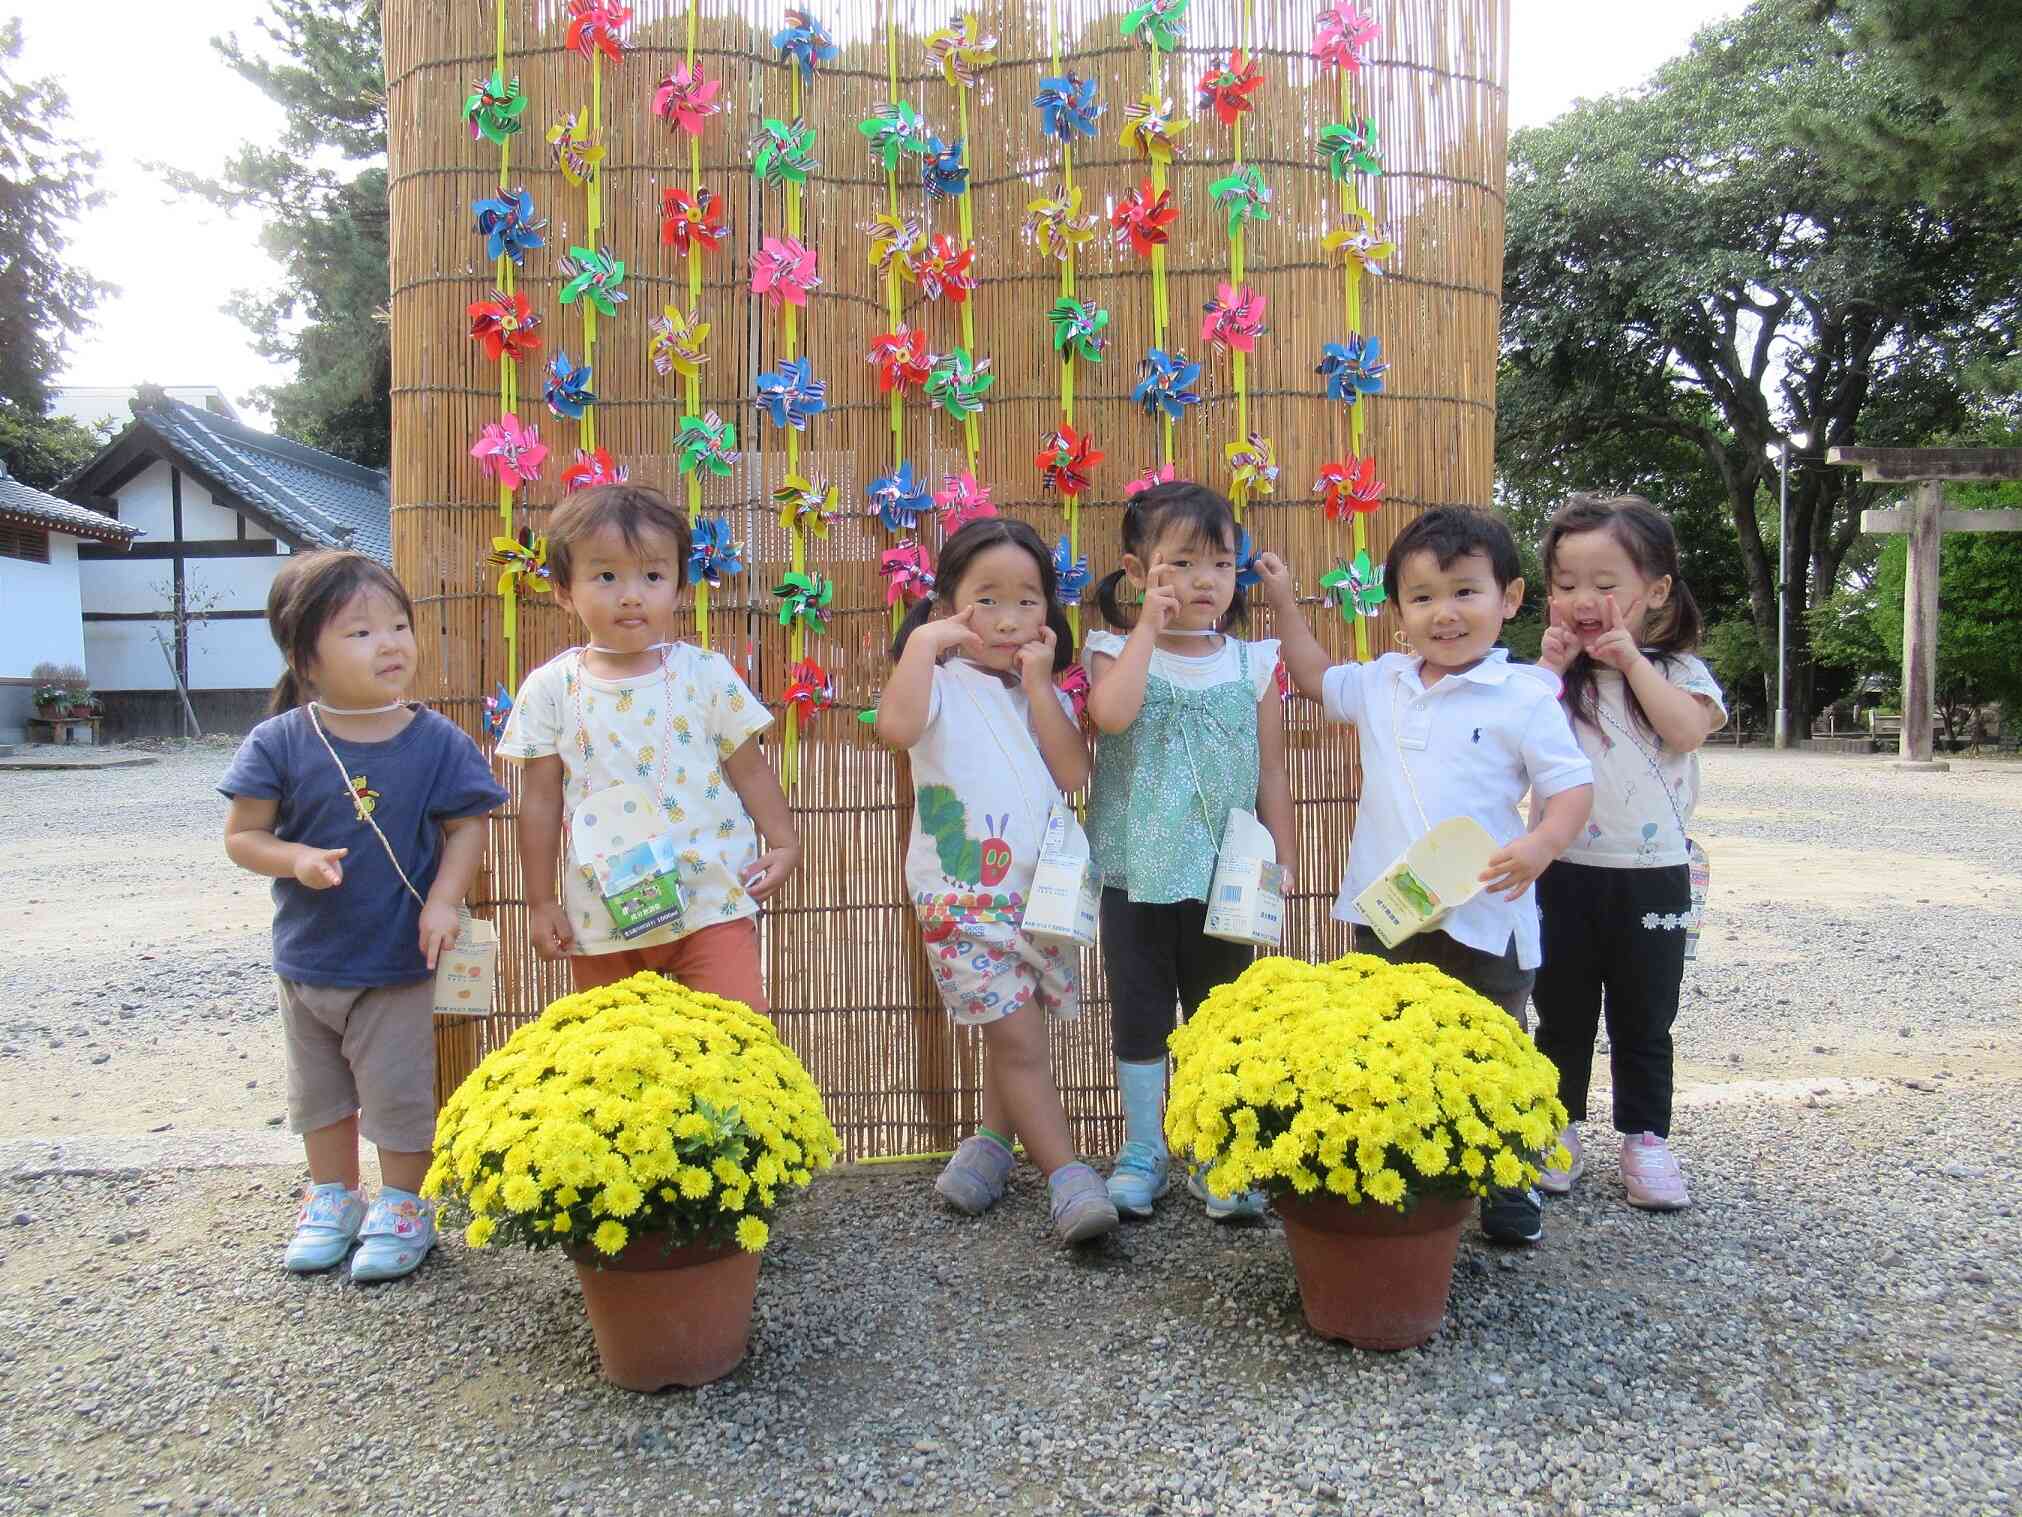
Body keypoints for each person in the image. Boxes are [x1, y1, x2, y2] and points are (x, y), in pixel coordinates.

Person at [1258, 507, 1595, 1246]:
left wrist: (1541, 844)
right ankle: (1397, 1172)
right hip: (1384, 912)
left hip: (1486, 915)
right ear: (1397, 611)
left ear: (1508, 598)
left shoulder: (1528, 695)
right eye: (1422, 597)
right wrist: (1284, 602)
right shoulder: (1381, 682)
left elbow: (1572, 789)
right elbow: (1313, 677)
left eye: (1466, 592)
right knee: (1380, 1042)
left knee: (1497, 1047)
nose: (1445, 613)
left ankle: (1509, 1179)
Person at [221, 550, 508, 1281]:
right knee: (319, 1094)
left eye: (399, 625)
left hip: (395, 962)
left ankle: (405, 1203)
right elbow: (242, 837)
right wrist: (295, 860)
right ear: (304, 657)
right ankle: (333, 1198)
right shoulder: (279, 741)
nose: (390, 643)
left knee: (398, 1092)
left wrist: (445, 901)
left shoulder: (436, 738)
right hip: (308, 960)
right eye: (360, 632)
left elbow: (467, 825)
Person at [875, 518, 1119, 1244]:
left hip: (1041, 895)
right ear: (949, 603)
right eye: (986, 600)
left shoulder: (1043, 691)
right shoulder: (939, 682)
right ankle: (1068, 1177)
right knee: (1018, 1041)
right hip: (961, 898)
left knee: (1016, 1029)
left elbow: (1073, 773)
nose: (1010, 621)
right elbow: (894, 726)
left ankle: (988, 1146)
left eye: (1029, 600)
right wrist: (921, 643)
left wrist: (1042, 686)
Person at [497, 484, 799, 1009]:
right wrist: (541, 901)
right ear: (564, 590)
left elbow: (750, 769)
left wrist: (784, 842)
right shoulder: (549, 688)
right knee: (623, 1067)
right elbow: (541, 801)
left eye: (653, 576)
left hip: (712, 899)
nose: (631, 594)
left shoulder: (706, 674)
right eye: (606, 576)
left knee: (733, 1043)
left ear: (680, 587)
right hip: (603, 909)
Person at [1085, 482, 1297, 1221]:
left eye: (1220, 562)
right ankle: (1143, 1147)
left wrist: (1283, 863)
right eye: (1180, 562)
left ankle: (1216, 1150)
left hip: (1226, 876)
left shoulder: (1254, 663)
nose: (1205, 580)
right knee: (1140, 1011)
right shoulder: (1113, 648)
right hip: (1136, 873)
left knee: (1218, 1013)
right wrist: (1146, 627)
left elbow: (1272, 769)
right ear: (1137, 570)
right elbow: (1111, 718)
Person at [1530, 493, 1727, 1211]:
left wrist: (1632, 663)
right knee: (1562, 1012)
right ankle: (1559, 1127)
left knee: (1645, 1016)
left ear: (1657, 590)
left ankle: (1647, 1136)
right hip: (1565, 872)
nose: (1585, 600)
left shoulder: (1679, 675)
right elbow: (1515, 754)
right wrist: (1549, 676)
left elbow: (1686, 733)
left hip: (1654, 879)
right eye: (1567, 583)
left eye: (1605, 584)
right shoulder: (1550, 682)